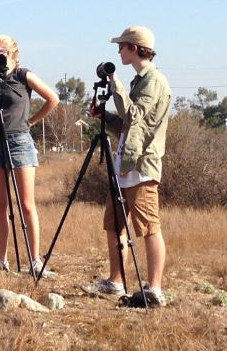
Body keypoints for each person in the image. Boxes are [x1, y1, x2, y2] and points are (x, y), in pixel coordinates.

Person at [87, 25, 171, 306]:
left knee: (149, 227)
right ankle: (116, 281)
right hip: (124, 165)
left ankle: (155, 288)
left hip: (142, 167)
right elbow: (127, 125)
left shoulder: (154, 81)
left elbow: (134, 115)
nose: (118, 52)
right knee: (114, 224)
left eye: (121, 47)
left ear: (134, 49)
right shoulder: (138, 82)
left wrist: (115, 81)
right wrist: (104, 116)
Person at [0, 35, 59, 273]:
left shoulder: (24, 75)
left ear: (12, 52)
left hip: (19, 141)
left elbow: (52, 99)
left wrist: (31, 121)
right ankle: (1, 259)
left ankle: (35, 261)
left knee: (26, 204)